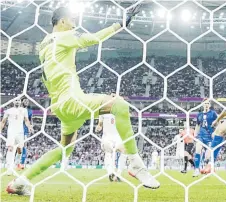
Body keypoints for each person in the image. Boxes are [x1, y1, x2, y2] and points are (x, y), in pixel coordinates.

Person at [6, 6, 159, 196]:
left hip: (60, 105)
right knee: (119, 105)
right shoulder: (64, 37)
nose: (74, 23)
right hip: (72, 100)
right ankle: (136, 165)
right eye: (71, 19)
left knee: (64, 150)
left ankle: (21, 181)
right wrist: (120, 24)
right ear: (62, 21)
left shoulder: (43, 44)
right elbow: (93, 39)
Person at [0, 99, 34, 176]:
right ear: (13, 102)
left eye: (18, 100)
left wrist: (29, 126)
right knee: (10, 149)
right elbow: (3, 122)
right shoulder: (8, 111)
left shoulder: (24, 110)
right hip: (11, 132)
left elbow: (26, 120)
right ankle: (9, 168)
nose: (17, 102)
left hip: (20, 132)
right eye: (16, 100)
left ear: (20, 102)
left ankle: (16, 163)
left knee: (20, 150)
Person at [95, 114, 126, 182]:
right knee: (109, 152)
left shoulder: (118, 108)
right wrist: (98, 128)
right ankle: (113, 173)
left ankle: (116, 174)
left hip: (116, 136)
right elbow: (100, 125)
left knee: (122, 151)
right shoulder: (103, 110)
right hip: (108, 136)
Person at [193, 99, 217, 177]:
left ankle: (206, 169)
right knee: (198, 149)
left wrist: (215, 132)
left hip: (210, 136)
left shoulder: (213, 113)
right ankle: (196, 169)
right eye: (205, 103)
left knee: (207, 155)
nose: (206, 104)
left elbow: (218, 122)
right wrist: (195, 134)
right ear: (202, 104)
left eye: (207, 103)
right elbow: (197, 125)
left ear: (209, 105)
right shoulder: (199, 114)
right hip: (201, 136)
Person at [18, 98, 33, 170]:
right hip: (17, 130)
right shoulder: (18, 110)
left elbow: (30, 120)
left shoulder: (30, 111)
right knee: (17, 147)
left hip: (25, 131)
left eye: (27, 101)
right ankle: (16, 162)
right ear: (22, 101)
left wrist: (31, 127)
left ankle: (21, 163)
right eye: (25, 101)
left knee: (24, 146)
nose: (26, 102)